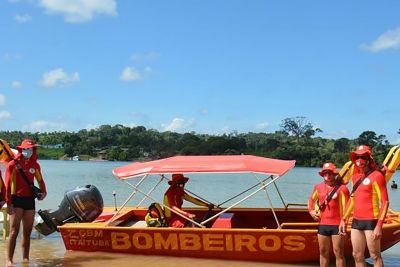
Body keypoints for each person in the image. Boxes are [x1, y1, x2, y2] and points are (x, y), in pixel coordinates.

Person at [339, 145, 388, 267]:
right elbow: (352, 200)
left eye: (363, 157)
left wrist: (379, 226)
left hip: (371, 221)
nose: (359, 160)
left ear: (369, 159)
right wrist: (343, 220)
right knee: (356, 255)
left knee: (375, 255)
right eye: (357, 157)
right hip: (356, 221)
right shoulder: (355, 177)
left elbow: (385, 202)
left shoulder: (377, 176)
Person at [5, 139, 47, 266]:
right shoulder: (12, 164)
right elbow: (7, 185)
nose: (28, 151)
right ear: (21, 150)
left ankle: (25, 259)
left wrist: (44, 193)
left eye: (30, 149)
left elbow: (41, 181)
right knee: (13, 231)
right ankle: (9, 260)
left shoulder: (35, 165)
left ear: (33, 150)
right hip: (16, 200)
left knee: (27, 232)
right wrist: (9, 203)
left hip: (30, 201)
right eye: (25, 149)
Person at [308, 162, 349, 267]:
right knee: (323, 252)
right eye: (325, 173)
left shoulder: (342, 188)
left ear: (334, 174)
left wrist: (344, 222)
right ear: (322, 174)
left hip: (337, 225)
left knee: (338, 253)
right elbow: (311, 200)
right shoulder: (318, 187)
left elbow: (347, 207)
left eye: (330, 172)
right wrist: (311, 211)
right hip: (323, 224)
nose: (328, 175)